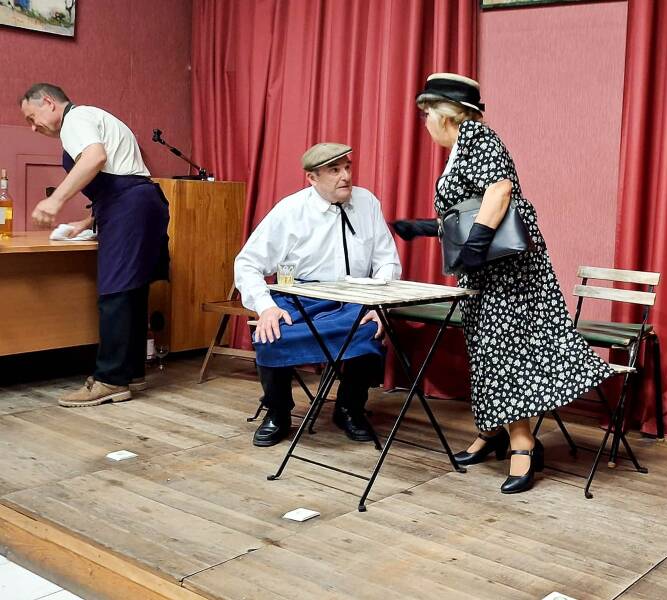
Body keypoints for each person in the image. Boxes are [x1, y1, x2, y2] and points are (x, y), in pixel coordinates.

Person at [398, 73, 614, 493]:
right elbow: (469, 210)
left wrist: (476, 245)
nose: (424, 124)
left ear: (445, 116)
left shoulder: (477, 137)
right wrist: (426, 228)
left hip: (507, 272)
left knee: (504, 353)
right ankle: (493, 431)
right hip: (488, 270)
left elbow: (500, 191)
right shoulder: (462, 148)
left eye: (427, 115)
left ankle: (523, 444)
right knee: (486, 350)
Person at [234, 142, 401, 447]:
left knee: (370, 330)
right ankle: (278, 412)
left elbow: (387, 260)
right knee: (271, 334)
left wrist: (379, 305)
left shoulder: (367, 202)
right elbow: (247, 263)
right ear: (312, 178)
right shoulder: (290, 210)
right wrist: (266, 306)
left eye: (347, 167)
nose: (345, 176)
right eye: (334, 170)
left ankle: (349, 408)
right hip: (300, 297)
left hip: (354, 297)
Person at [20, 83, 169, 407]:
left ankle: (110, 380)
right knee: (131, 291)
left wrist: (55, 200)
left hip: (130, 207)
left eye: (32, 117)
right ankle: (130, 372)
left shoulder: (76, 119)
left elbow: (95, 158)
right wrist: (87, 222)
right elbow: (124, 176)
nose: (33, 127)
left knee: (114, 292)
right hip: (140, 204)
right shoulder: (95, 117)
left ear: (48, 102)